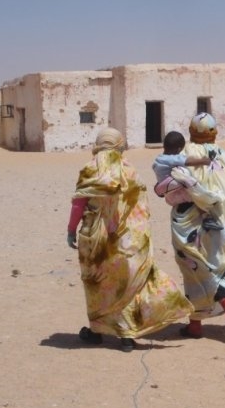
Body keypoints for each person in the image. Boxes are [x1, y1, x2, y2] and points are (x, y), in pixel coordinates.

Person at [67, 127, 194, 352]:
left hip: (96, 241)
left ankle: (97, 332)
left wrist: (70, 230)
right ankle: (126, 336)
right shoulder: (129, 171)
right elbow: (140, 207)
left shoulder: (89, 170)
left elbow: (79, 204)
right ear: (119, 145)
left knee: (98, 285)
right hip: (126, 242)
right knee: (124, 285)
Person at [162, 112, 225, 341]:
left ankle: (200, 322)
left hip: (190, 224)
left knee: (194, 269)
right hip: (222, 220)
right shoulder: (223, 155)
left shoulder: (184, 154)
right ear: (215, 133)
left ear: (191, 132)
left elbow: (172, 185)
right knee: (220, 265)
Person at [152, 130, 223, 231]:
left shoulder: (159, 159)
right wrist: (204, 161)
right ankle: (207, 218)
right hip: (178, 192)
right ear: (179, 149)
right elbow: (188, 161)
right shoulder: (171, 159)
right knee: (197, 196)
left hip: (169, 194)